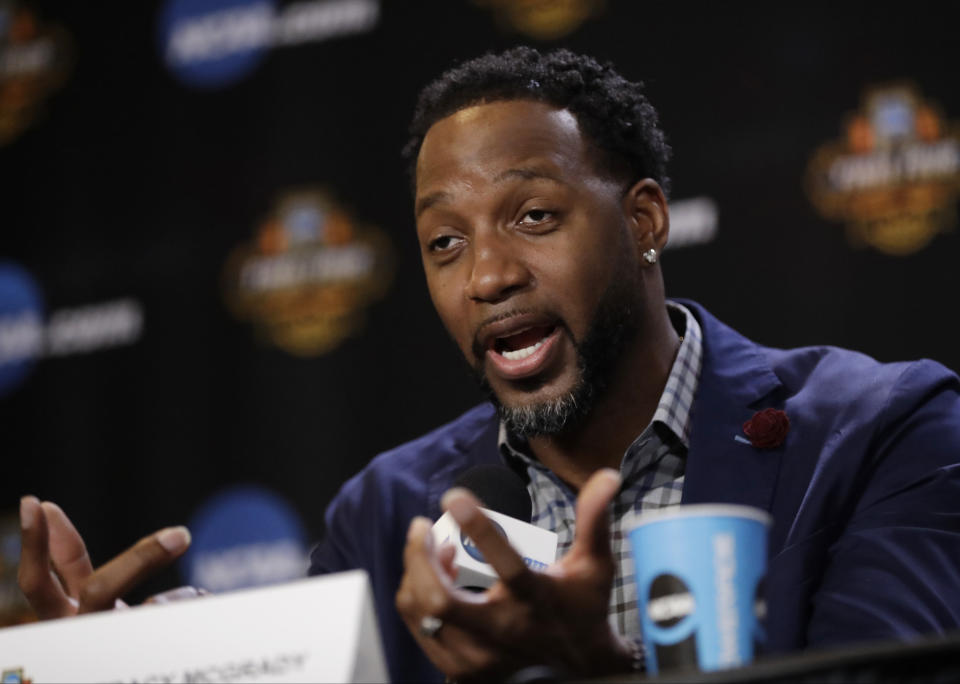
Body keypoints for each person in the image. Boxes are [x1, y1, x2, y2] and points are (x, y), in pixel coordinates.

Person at [18, 47, 960, 683]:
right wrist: (108, 668)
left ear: (644, 221)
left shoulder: (882, 431)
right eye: (443, 243)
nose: (488, 275)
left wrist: (600, 668)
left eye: (534, 216)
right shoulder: (385, 514)